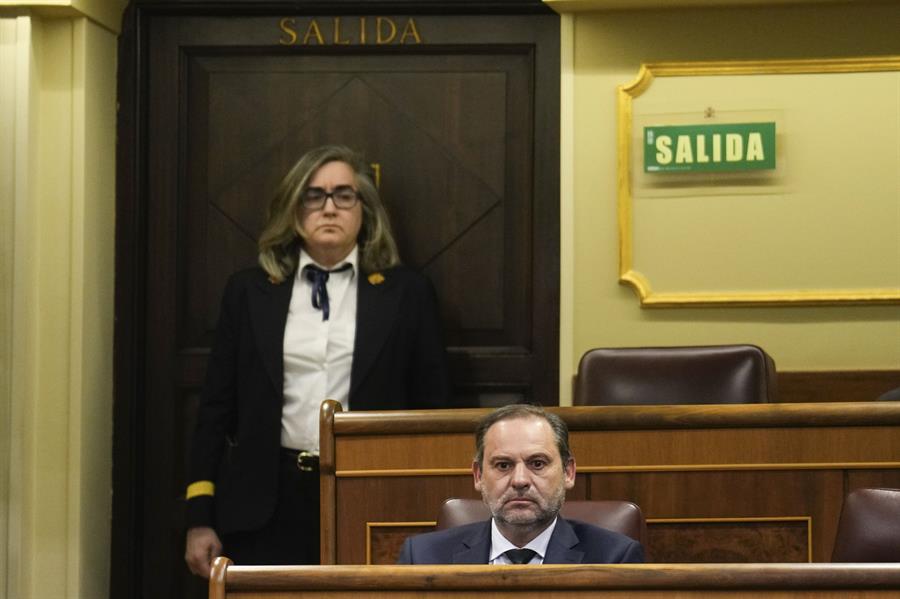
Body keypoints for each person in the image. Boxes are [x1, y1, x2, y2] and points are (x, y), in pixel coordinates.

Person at [185, 145, 453, 577]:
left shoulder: (407, 294)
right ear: (293, 209)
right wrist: (199, 515)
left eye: (344, 195)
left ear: (364, 210)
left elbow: (434, 409)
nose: (329, 208)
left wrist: (431, 510)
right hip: (265, 503)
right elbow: (216, 408)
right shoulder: (249, 291)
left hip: (369, 495)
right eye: (314, 196)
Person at [397, 404, 644, 564]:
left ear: (568, 472)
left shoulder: (614, 558)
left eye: (537, 463)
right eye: (503, 465)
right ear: (478, 475)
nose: (520, 480)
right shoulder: (422, 558)